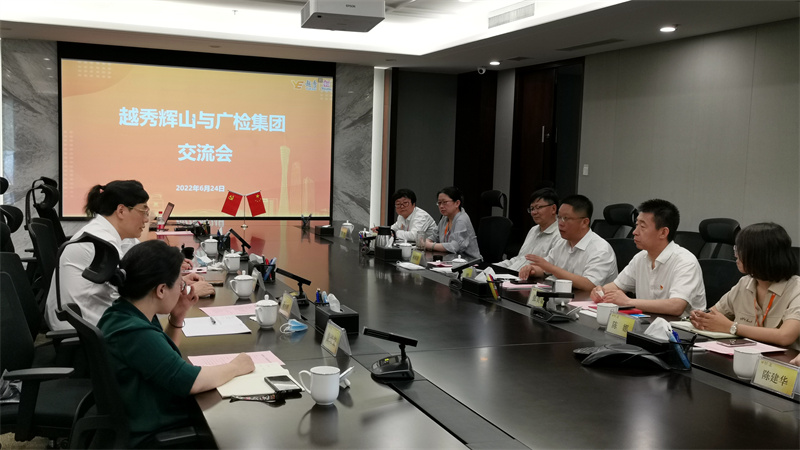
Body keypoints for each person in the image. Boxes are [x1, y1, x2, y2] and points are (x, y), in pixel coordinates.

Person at [99, 240, 255, 447]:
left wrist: (178, 317)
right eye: (180, 284)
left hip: (144, 411)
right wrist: (236, 366)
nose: (183, 290)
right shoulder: (134, 332)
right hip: (151, 429)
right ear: (161, 290)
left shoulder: (123, 313)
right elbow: (189, 381)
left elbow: (164, 358)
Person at [45, 180, 213, 330]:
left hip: (90, 320)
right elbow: (135, 295)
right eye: (143, 211)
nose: (146, 219)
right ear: (121, 211)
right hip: (82, 331)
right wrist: (187, 290)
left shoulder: (114, 235)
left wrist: (177, 281)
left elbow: (146, 268)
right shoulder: (101, 242)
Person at [690, 223, 800, 351]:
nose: (736, 255)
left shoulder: (796, 289)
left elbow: (785, 336)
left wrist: (732, 327)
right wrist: (700, 317)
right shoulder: (745, 283)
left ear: (760, 256)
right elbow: (714, 314)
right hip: (741, 355)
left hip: (781, 360)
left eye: (740, 250)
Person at [590, 199, 706, 315]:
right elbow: (616, 286)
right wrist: (600, 292)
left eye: (642, 226)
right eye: (636, 225)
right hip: (646, 322)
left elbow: (676, 306)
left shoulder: (685, 262)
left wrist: (628, 302)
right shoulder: (640, 258)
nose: (635, 232)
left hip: (679, 325)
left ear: (663, 233)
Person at [518, 195, 617, 291]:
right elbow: (546, 268)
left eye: (566, 218)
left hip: (589, 300)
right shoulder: (562, 242)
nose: (560, 223)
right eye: (559, 217)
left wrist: (551, 268)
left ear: (584, 222)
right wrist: (533, 269)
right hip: (562, 296)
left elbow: (589, 284)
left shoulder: (600, 249)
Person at [495, 188, 561, 272]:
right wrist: (492, 267)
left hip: (529, 277)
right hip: (512, 273)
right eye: (532, 208)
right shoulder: (533, 230)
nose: (533, 212)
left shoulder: (560, 234)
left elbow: (551, 270)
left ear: (553, 209)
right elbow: (519, 259)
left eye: (538, 207)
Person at [424, 186, 481, 260]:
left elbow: (455, 247)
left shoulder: (461, 220)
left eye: (445, 202)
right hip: (450, 259)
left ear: (457, 203)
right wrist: (426, 241)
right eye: (439, 203)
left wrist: (431, 246)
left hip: (468, 262)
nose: (441, 206)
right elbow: (435, 236)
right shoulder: (445, 218)